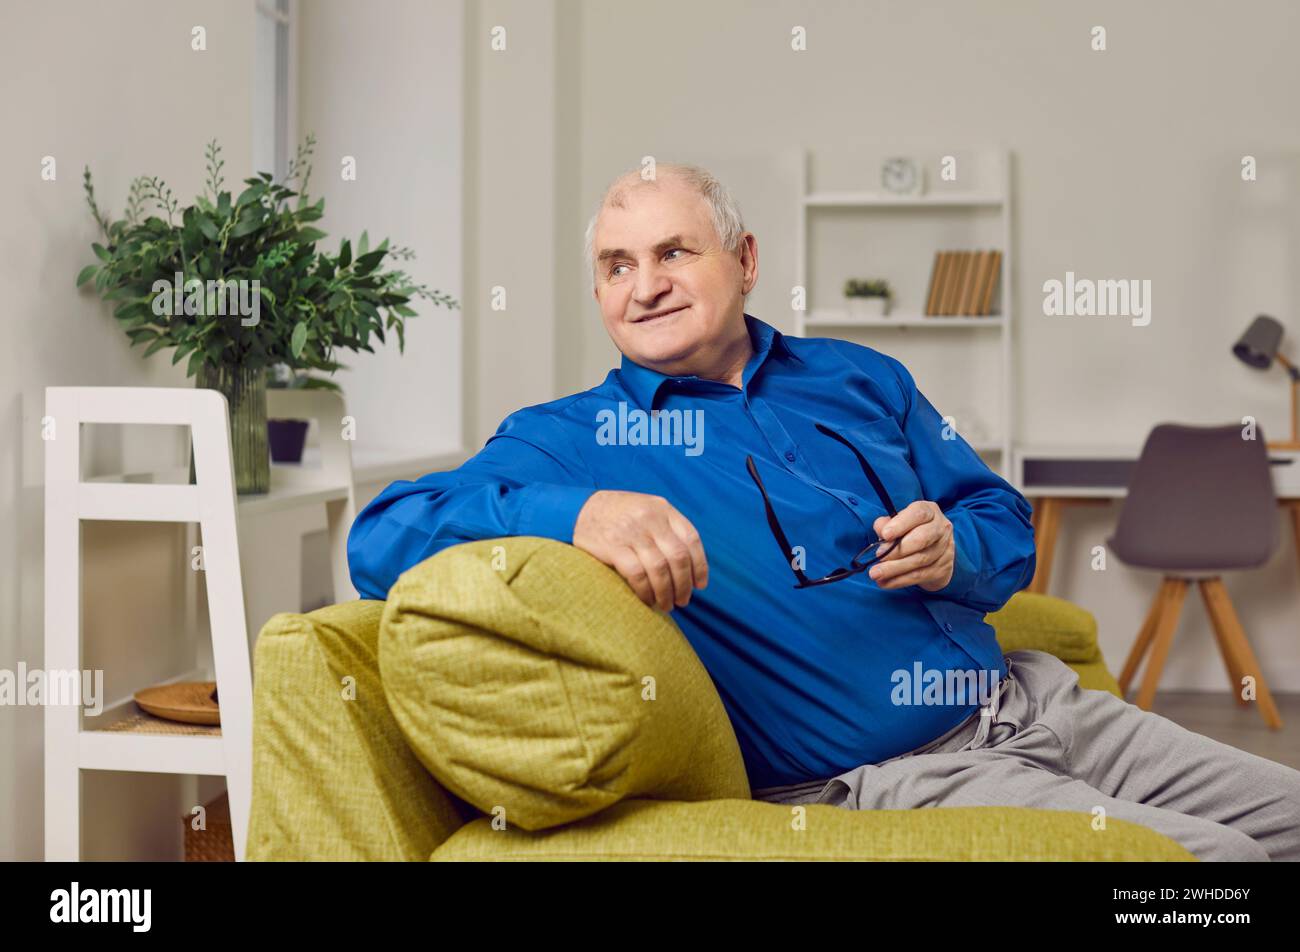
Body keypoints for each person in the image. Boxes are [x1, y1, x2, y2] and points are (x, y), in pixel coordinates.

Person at [348, 162, 1300, 861]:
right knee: (1213, 873)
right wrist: (576, 515)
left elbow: (1004, 522)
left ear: (746, 258)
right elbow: (380, 536)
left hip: (1040, 701)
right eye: (615, 265)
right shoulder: (570, 438)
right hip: (903, 776)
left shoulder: (863, 376)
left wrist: (954, 545)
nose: (645, 287)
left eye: (675, 251)